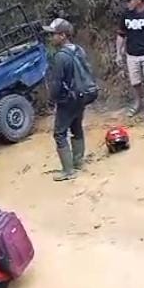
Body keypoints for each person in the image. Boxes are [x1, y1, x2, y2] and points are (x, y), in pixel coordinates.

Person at [43, 18, 96, 181]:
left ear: (63, 35)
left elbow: (57, 83)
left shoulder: (60, 57)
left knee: (59, 133)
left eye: (53, 34)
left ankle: (68, 171)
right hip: (82, 95)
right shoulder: (78, 50)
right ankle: (78, 161)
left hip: (68, 99)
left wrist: (53, 99)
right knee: (76, 126)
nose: (50, 38)